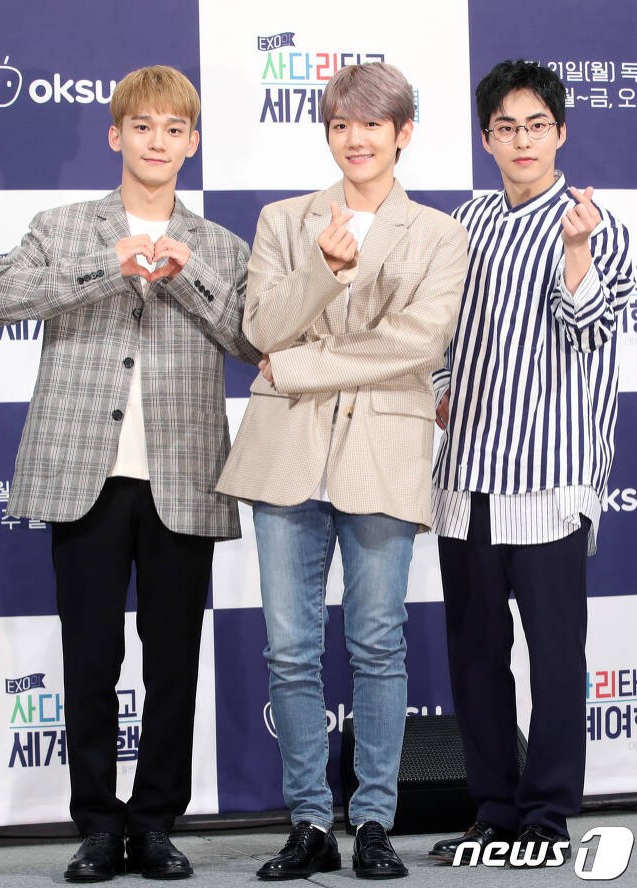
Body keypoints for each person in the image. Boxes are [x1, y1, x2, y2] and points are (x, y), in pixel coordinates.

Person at [0, 65, 258, 882]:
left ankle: (157, 824)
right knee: (90, 659)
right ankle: (98, 826)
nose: (157, 142)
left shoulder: (219, 245)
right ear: (116, 135)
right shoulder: (64, 225)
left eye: (174, 129)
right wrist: (114, 264)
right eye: (143, 127)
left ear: (192, 143)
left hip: (184, 475)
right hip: (83, 475)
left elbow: (253, 339)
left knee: (172, 664)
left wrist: (186, 274)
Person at [217, 62, 467, 880]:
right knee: (291, 652)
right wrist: (322, 271)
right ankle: (308, 824)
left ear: (403, 133)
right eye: (340, 125)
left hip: (383, 454)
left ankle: (374, 822)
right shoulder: (285, 220)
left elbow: (417, 344)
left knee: (377, 645)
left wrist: (298, 366)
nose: (355, 139)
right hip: (287, 454)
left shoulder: (438, 233)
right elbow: (261, 328)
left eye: (372, 124)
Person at [429, 59, 635, 866]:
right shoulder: (466, 220)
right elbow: (439, 329)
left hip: (550, 475)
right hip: (466, 473)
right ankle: (492, 806)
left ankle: (547, 814)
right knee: (476, 654)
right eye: (506, 127)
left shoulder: (598, 225)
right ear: (487, 138)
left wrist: (576, 251)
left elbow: (590, 330)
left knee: (554, 658)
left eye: (536, 126)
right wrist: (441, 387)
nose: (522, 140)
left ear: (561, 133)